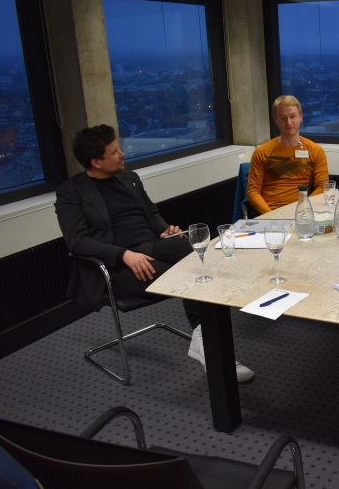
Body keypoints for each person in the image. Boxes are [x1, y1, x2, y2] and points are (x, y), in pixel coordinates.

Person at [55, 125, 253, 382]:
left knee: (193, 249)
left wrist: (164, 229)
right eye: (114, 152)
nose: (122, 154)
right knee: (193, 273)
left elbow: (152, 214)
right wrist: (124, 254)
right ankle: (212, 350)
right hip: (117, 266)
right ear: (96, 162)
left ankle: (204, 340)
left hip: (152, 248)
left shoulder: (129, 177)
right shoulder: (71, 192)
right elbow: (77, 243)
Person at [247, 95, 330, 215]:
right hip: (271, 214)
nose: (288, 122)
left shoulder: (315, 151)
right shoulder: (262, 152)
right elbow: (252, 192)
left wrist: (304, 209)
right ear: (275, 120)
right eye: (282, 118)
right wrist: (271, 216)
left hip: (304, 212)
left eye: (292, 116)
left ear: (301, 117)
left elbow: (322, 187)